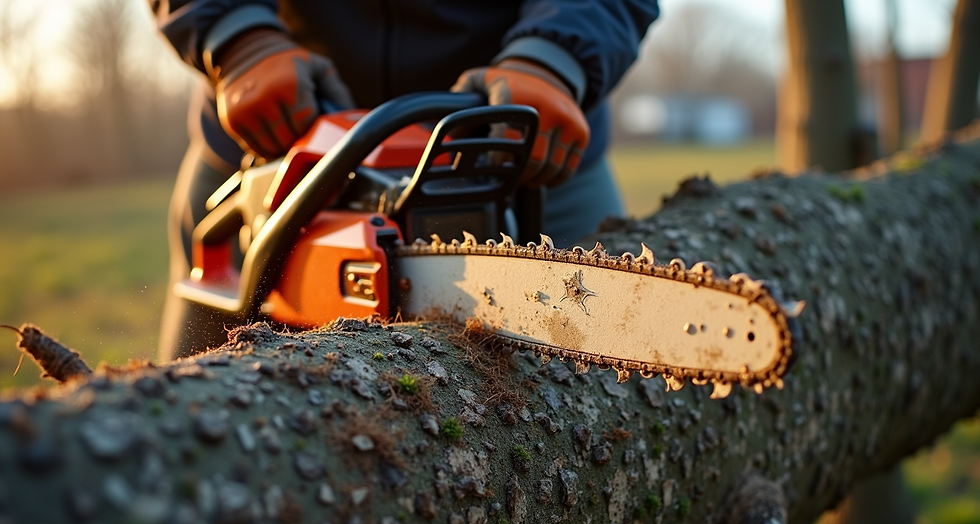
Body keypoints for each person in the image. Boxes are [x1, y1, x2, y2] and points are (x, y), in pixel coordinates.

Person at [150, 0, 660, 361]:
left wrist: (552, 57)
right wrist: (240, 37)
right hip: (274, 140)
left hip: (519, 150)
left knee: (600, 371)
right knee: (191, 402)